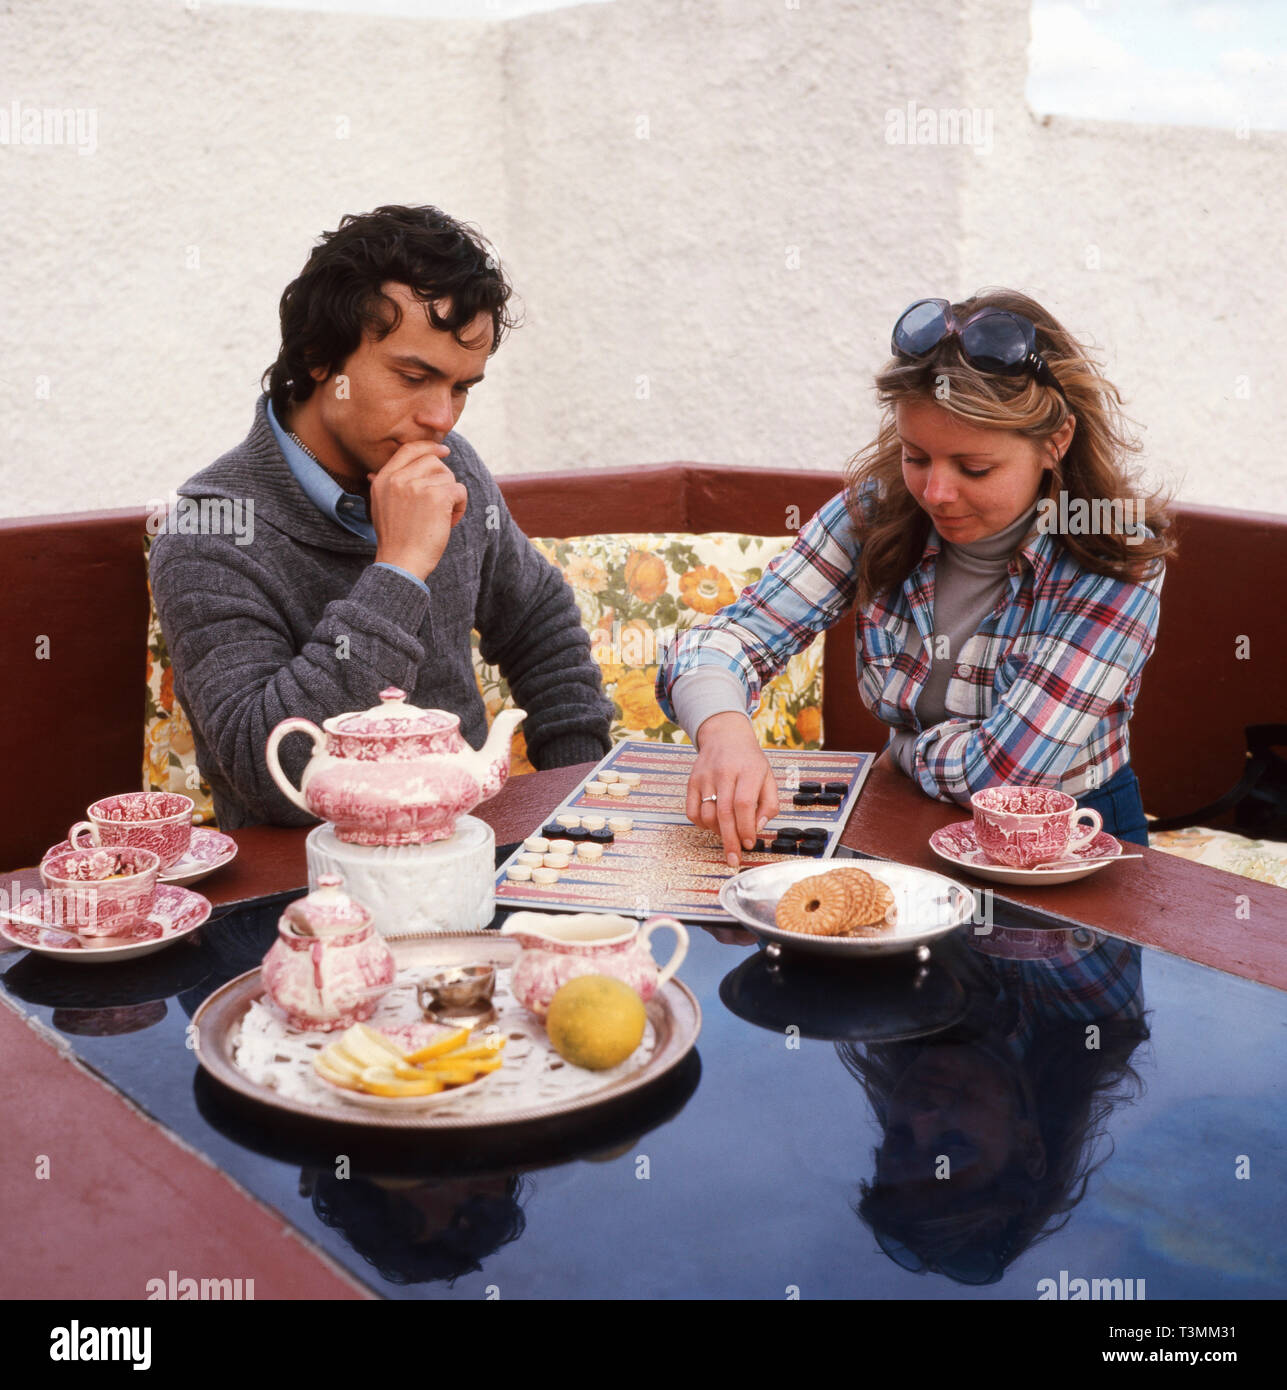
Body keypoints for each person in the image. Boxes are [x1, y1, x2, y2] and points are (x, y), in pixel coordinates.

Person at [657, 289, 1174, 864]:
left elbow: (1004, 777)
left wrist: (903, 750)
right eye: (916, 456)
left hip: (1070, 843)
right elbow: (728, 639)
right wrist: (724, 730)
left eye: (975, 468)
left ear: (1055, 444)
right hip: (905, 817)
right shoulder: (876, 511)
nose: (936, 493)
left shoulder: (1117, 554)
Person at [149, 205, 611, 830]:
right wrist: (398, 570)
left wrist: (575, 798)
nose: (441, 418)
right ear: (319, 356)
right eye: (414, 376)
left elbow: (538, 622)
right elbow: (271, 772)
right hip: (306, 893)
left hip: (469, 852)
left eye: (461, 387)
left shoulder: (454, 468)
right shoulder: (209, 535)